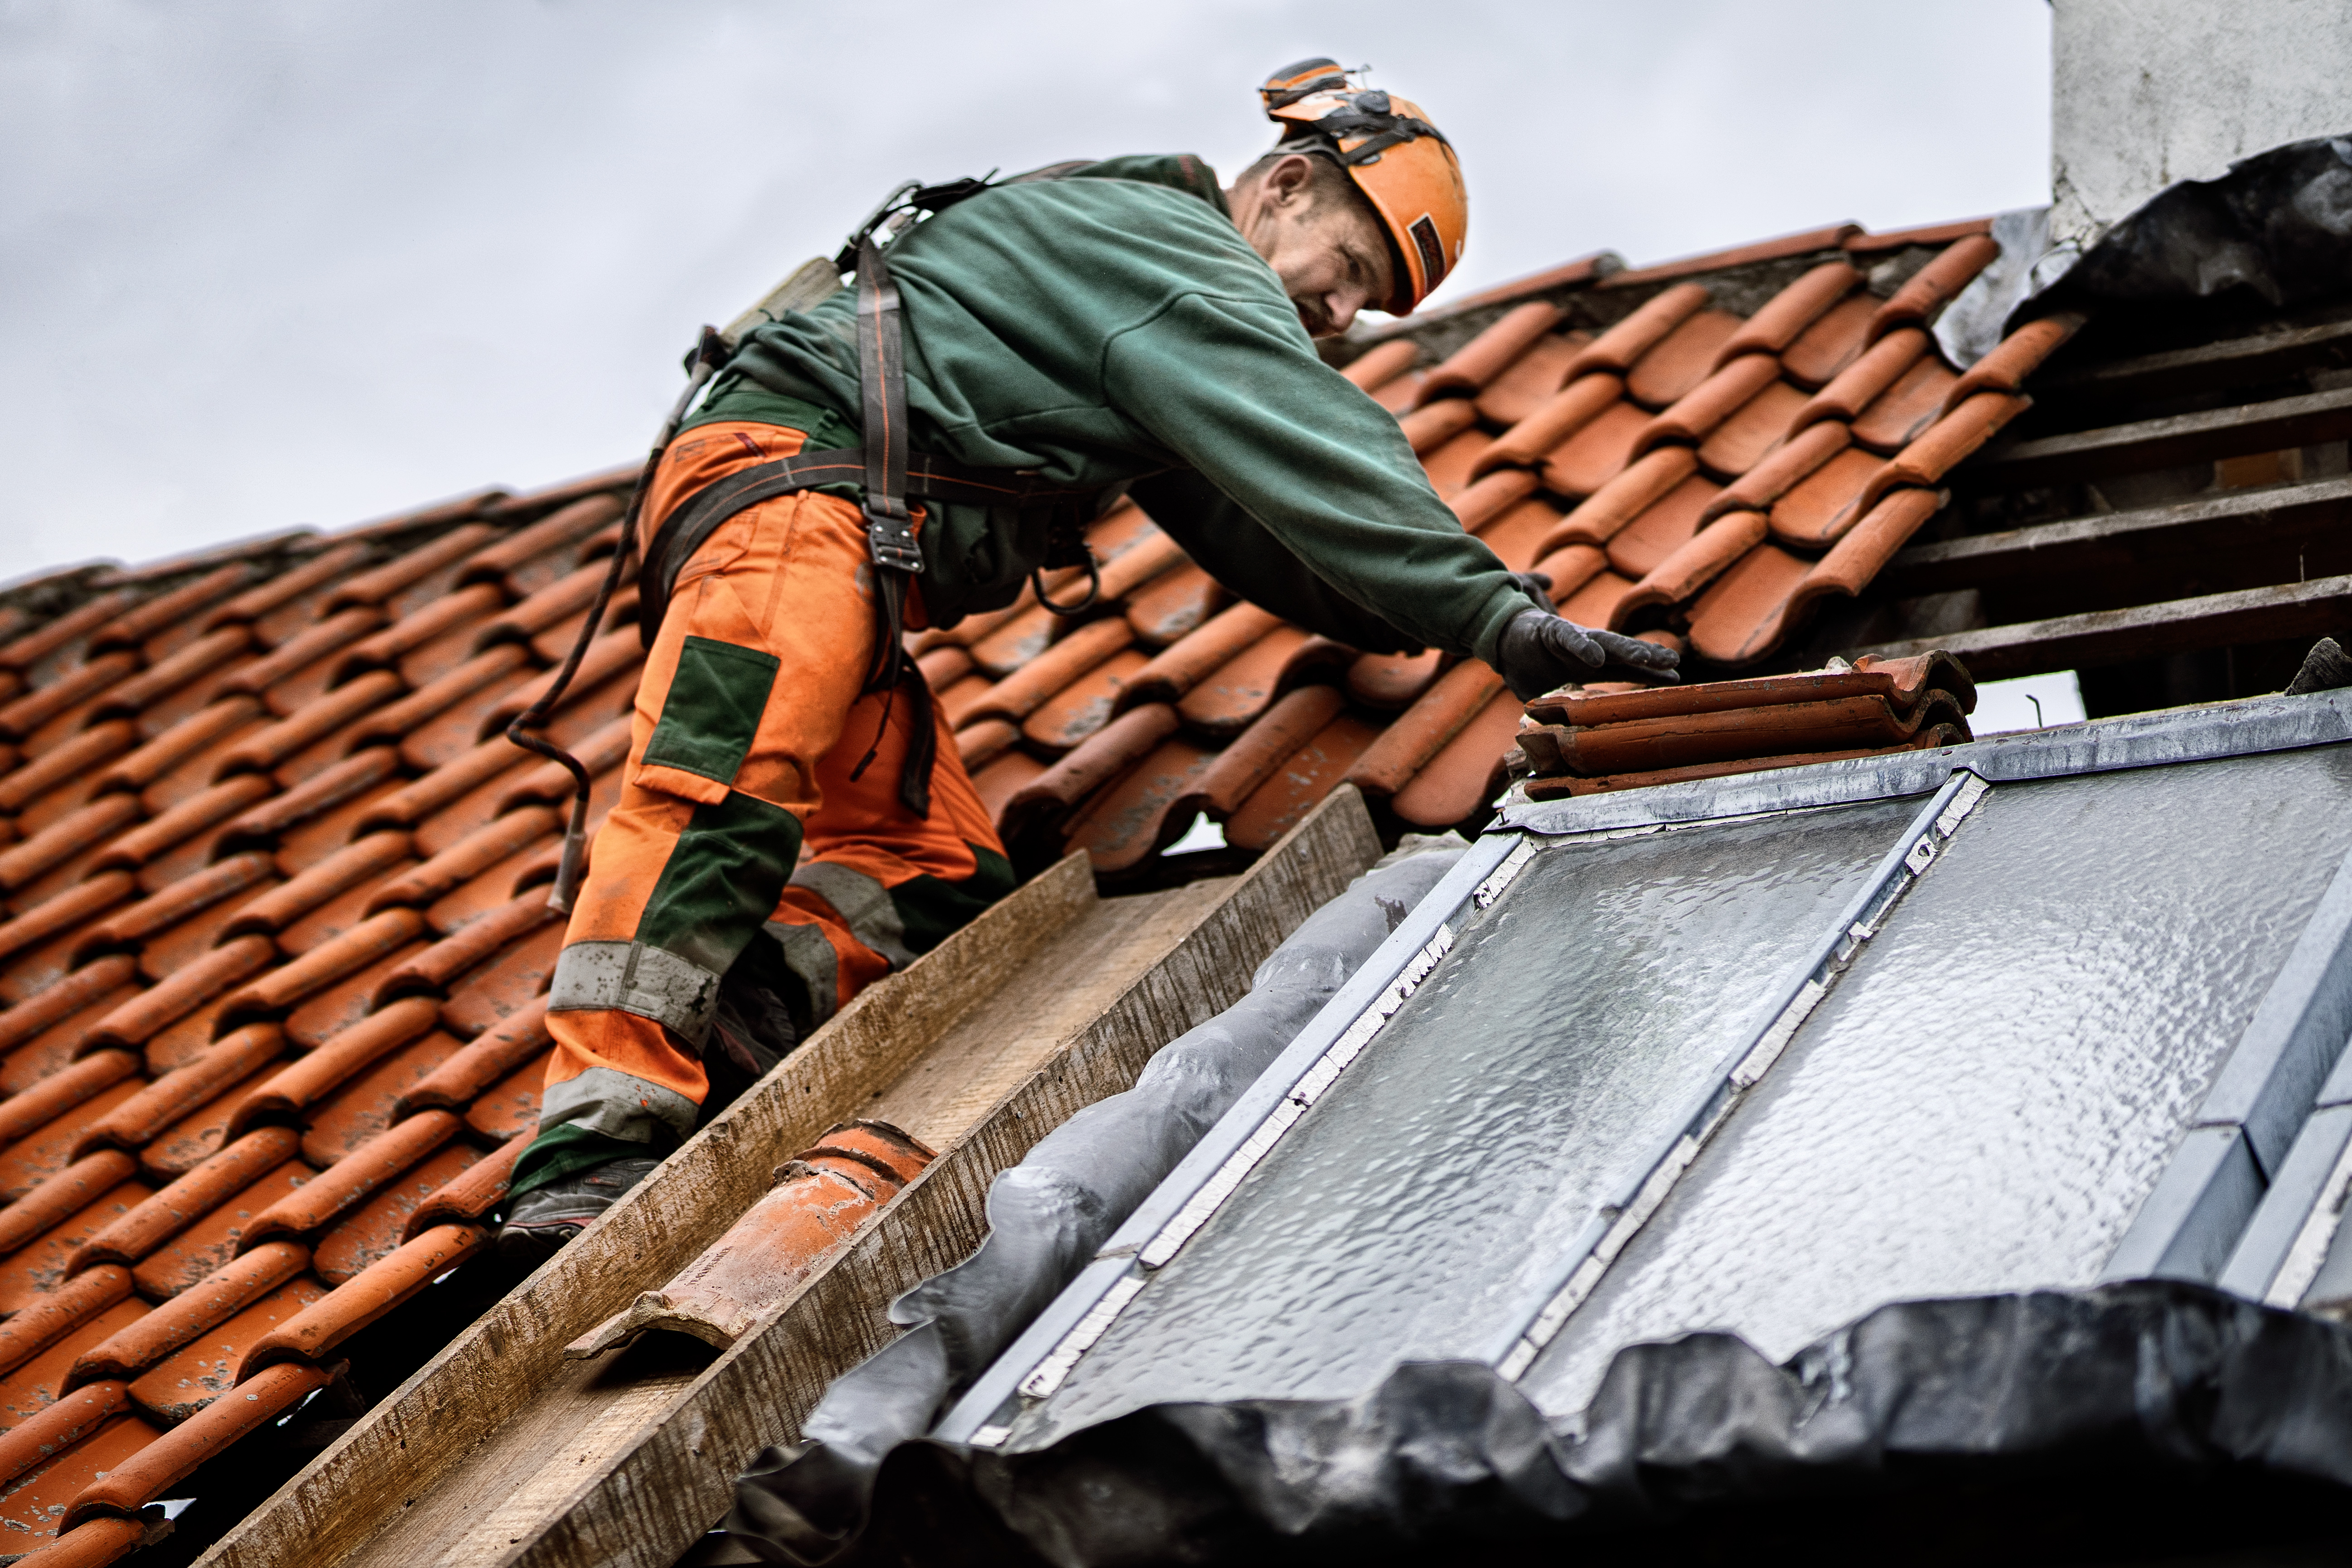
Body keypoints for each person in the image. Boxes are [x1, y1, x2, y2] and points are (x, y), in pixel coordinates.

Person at [496, 57, 1678, 1260]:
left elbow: (1257, 516)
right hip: (792, 499)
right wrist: (1497, 615)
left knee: (943, 880)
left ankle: (736, 1013)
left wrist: (1413, 614)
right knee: (718, 796)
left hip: (843, 552)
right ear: (1283, 186)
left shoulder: (1147, 312)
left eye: (1368, 309)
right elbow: (1316, 437)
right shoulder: (1172, 253)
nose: (1341, 316)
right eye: (1353, 271)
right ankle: (591, 1147)